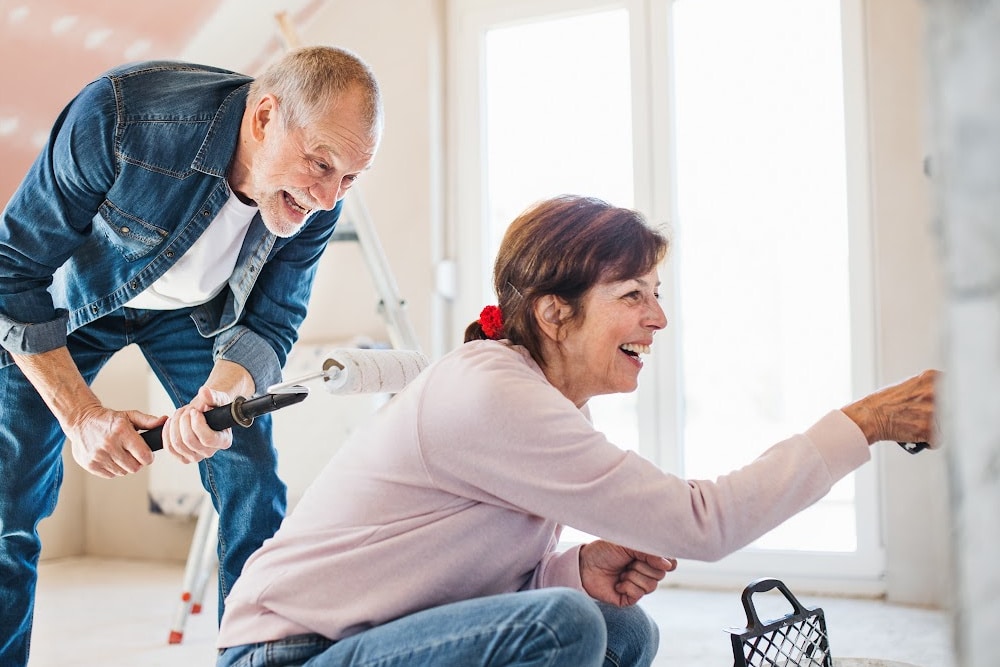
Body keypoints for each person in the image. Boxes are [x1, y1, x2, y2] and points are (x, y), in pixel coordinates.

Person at [215, 195, 939, 667]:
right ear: (554, 314)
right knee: (564, 626)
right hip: (286, 653)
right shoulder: (492, 395)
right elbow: (703, 522)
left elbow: (439, 575)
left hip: (356, 637)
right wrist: (865, 423)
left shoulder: (541, 396)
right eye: (632, 297)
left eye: (657, 296)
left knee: (622, 629)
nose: (657, 319)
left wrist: (572, 567)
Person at [0, 46, 383, 664]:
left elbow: (273, 318)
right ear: (264, 119)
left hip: (191, 317)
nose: (330, 197)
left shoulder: (316, 194)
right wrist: (81, 416)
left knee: (252, 480)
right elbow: (10, 273)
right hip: (68, 305)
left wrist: (224, 393)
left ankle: (254, 658)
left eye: (351, 178)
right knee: (7, 509)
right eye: (321, 165)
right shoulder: (122, 119)